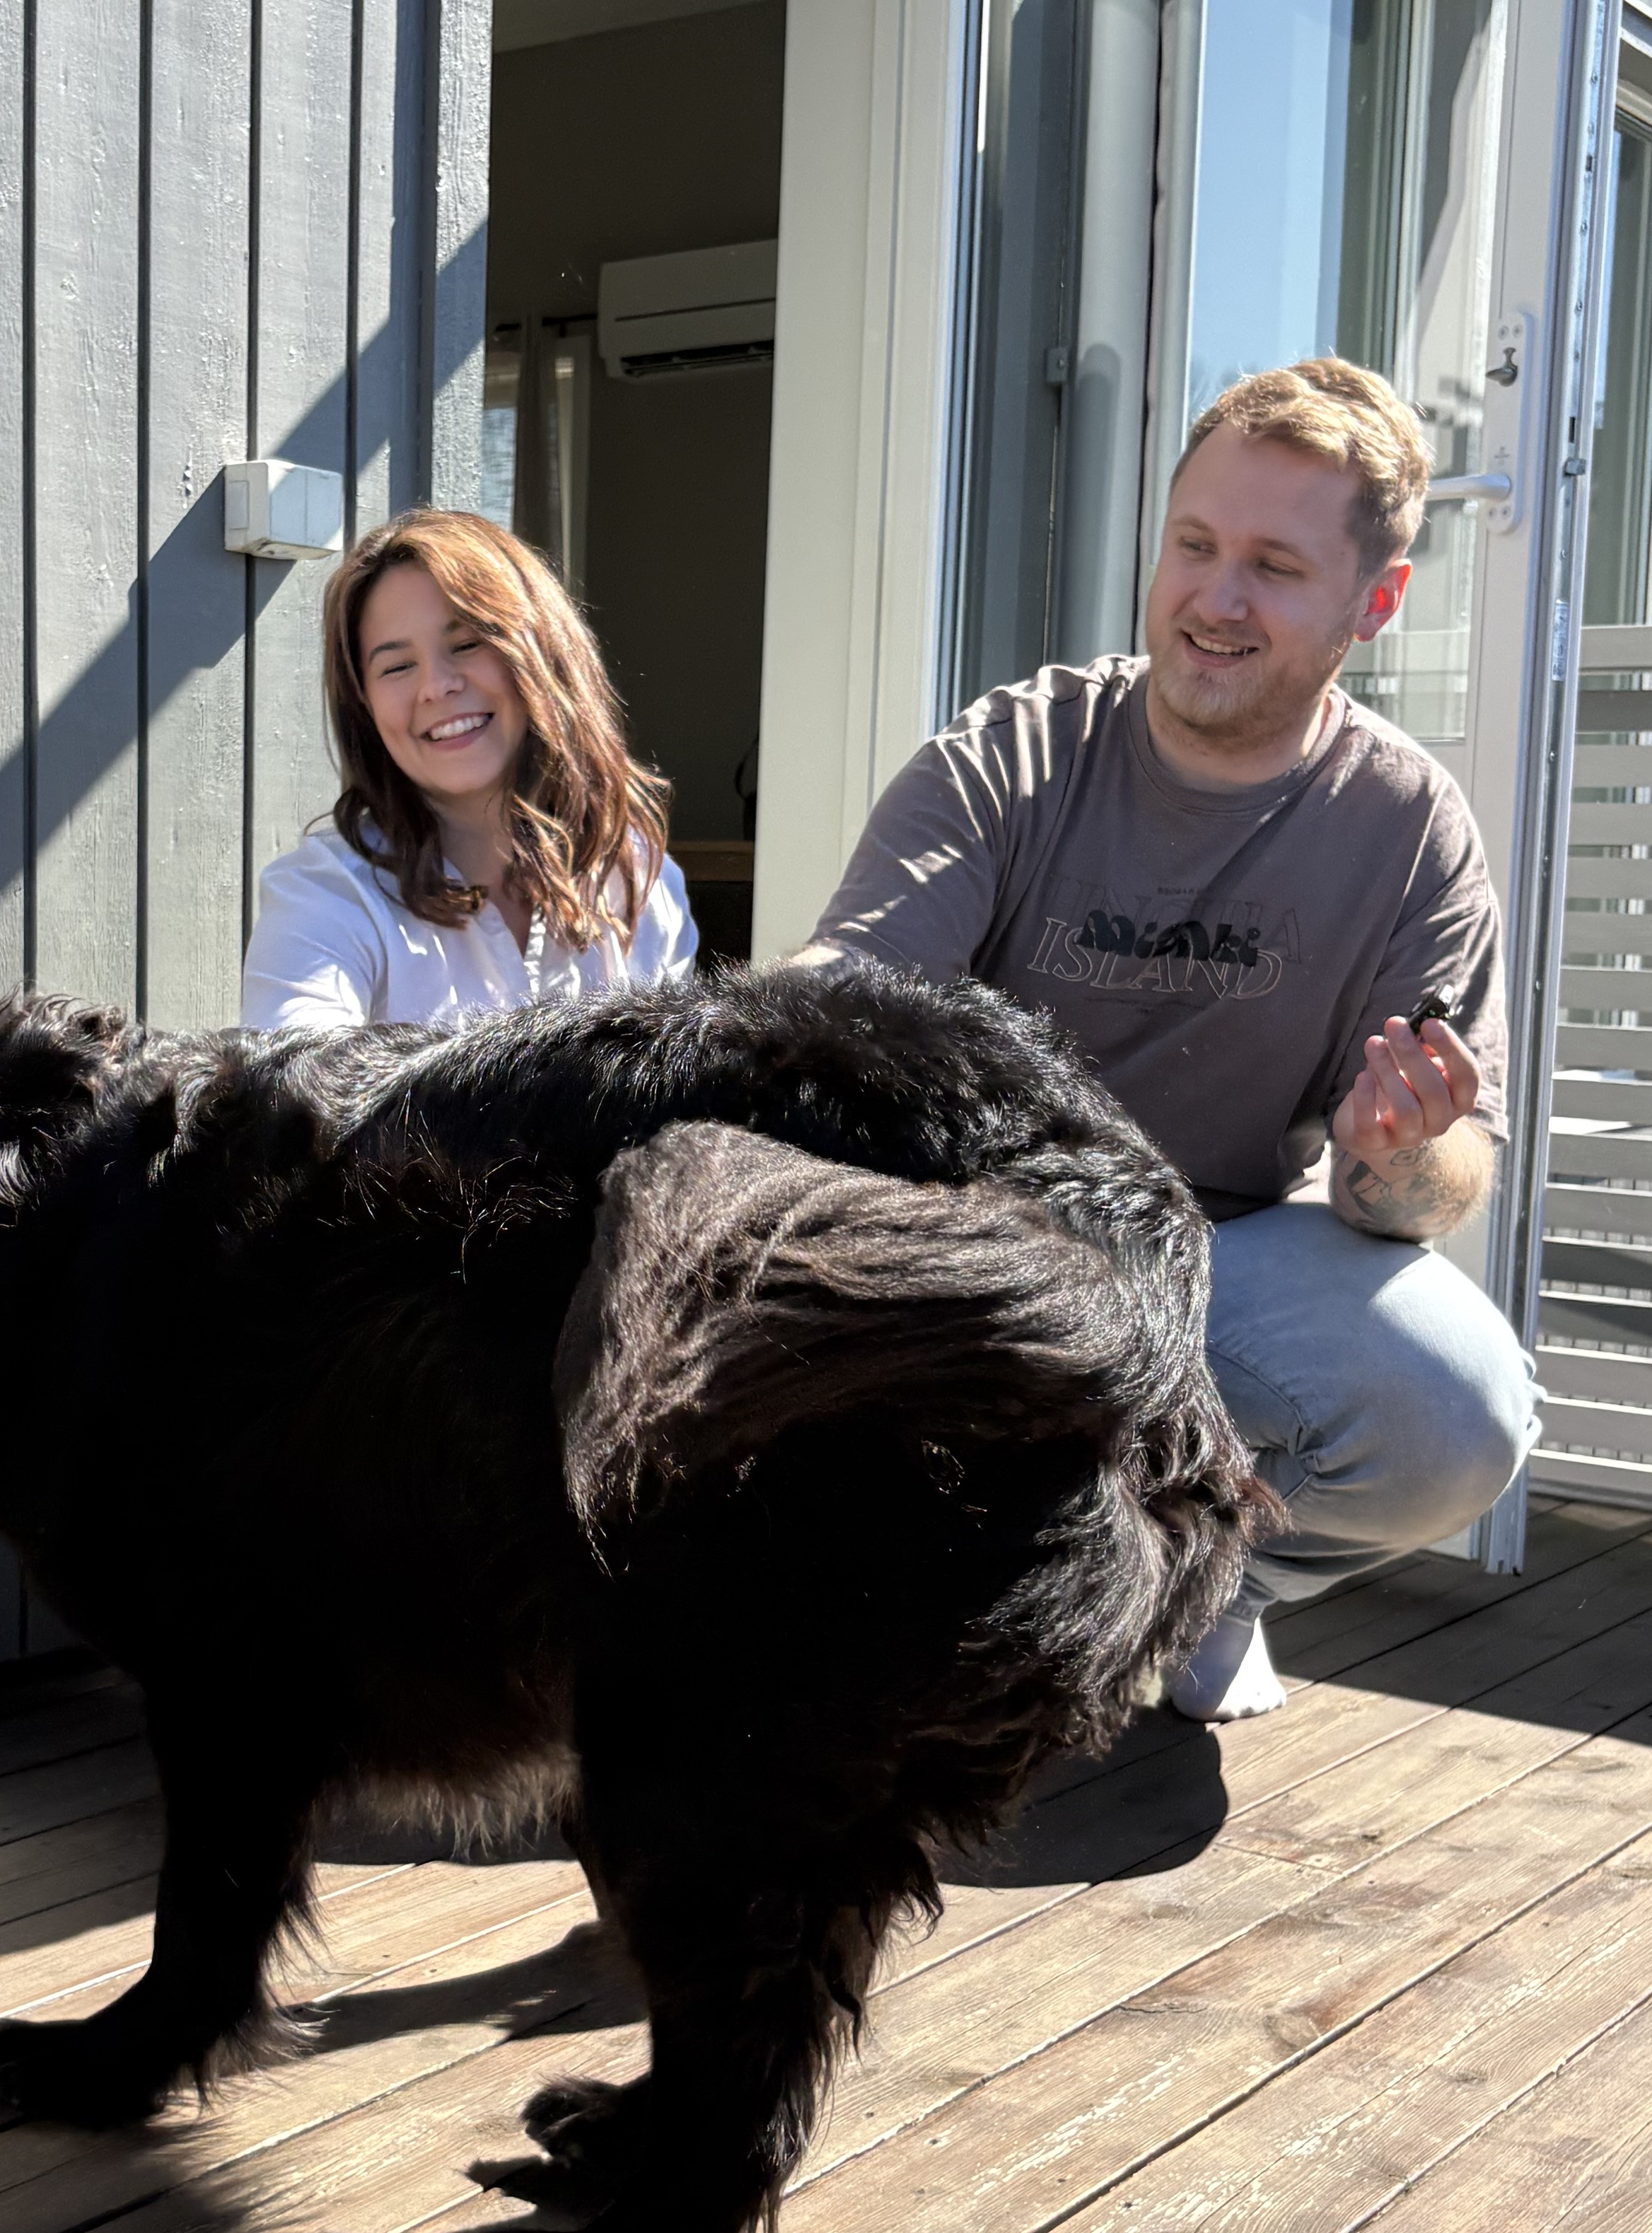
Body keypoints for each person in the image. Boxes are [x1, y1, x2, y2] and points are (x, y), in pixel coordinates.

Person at [798, 357, 1540, 1722]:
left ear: (1374, 604)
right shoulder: (1013, 755)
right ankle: (1018, 1574)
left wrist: (1394, 1155)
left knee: (1458, 1408)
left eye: (1272, 563)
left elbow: (1426, 1198)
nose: (1214, 597)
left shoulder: (1409, 828)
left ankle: (1204, 1584)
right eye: (1193, 544)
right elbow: (838, 1005)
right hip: (973, 1263)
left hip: (1215, 1284)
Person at [241, 509, 697, 1030]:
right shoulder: (324, 899)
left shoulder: (640, 880)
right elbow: (291, 1094)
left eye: (466, 644)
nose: (436, 685)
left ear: (543, 655)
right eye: (396, 666)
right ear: (363, 706)